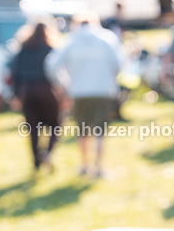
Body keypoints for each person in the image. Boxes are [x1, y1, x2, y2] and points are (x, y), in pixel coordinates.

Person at [48, 12, 122, 178]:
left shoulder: (70, 40)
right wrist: (110, 79)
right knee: (100, 130)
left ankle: (85, 165)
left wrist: (63, 85)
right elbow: (118, 63)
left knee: (82, 129)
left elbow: (52, 65)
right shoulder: (106, 38)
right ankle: (98, 167)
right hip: (102, 90)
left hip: (78, 91)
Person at [9, 20, 63, 172]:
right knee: (55, 125)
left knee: (33, 128)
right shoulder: (50, 48)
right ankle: (47, 152)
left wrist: (16, 94)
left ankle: (36, 162)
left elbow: (16, 72)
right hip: (45, 88)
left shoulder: (23, 49)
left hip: (26, 90)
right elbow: (56, 71)